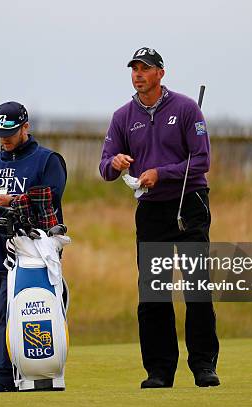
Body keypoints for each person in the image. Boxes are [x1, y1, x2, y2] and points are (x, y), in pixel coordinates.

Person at [99, 47, 220, 388]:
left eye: (145, 68)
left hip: (190, 204)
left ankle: (203, 365)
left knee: (196, 289)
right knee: (154, 292)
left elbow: (201, 161)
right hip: (151, 211)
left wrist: (160, 173)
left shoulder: (185, 108)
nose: (138, 74)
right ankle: (159, 371)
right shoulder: (123, 116)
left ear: (160, 74)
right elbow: (104, 165)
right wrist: (116, 164)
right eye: (134, 68)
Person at [0, 101, 67, 393]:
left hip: (31, 248)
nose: (4, 138)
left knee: (9, 313)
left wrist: (9, 200)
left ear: (26, 127)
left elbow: (48, 199)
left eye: (10, 131)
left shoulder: (47, 160)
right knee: (1, 316)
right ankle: (20, 373)